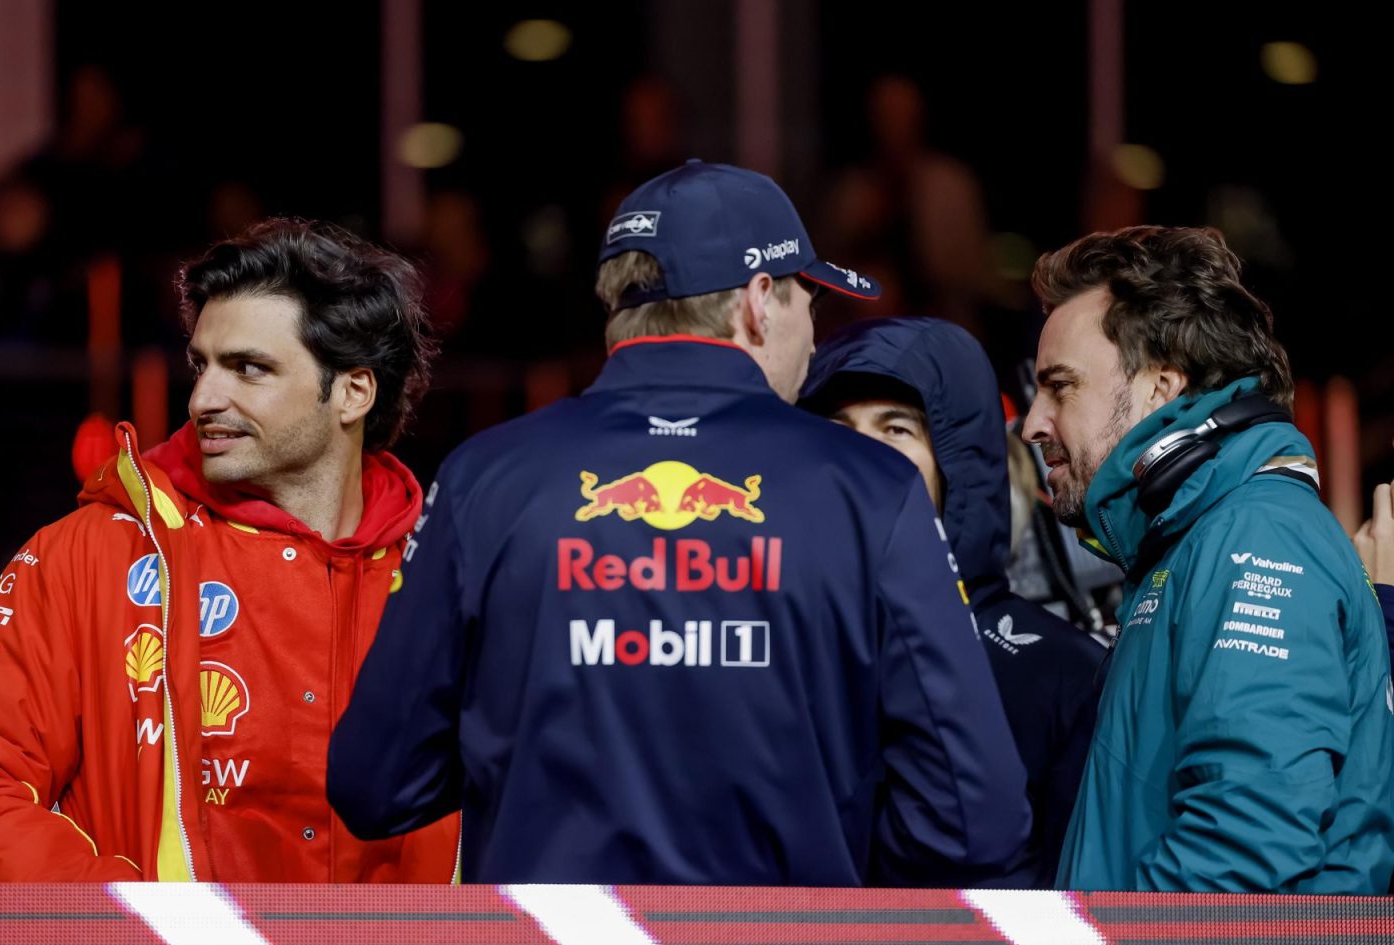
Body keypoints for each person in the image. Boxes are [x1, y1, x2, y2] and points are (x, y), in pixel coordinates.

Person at [328, 160, 1029, 885]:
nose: (816, 340)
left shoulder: (486, 478)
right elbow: (975, 820)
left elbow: (376, 783)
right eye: (807, 303)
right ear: (759, 302)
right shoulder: (870, 487)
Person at [0, 218, 460, 881]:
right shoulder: (91, 555)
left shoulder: (452, 575)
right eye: (202, 365)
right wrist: (136, 938)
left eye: (248, 369)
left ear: (352, 392)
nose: (202, 399)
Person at [1021, 225, 1394, 892]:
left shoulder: (1255, 537)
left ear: (1161, 388)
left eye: (1059, 387)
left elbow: (1245, 850)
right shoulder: (1200, 539)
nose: (1032, 423)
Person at [800, 316, 1103, 887]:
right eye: (838, 429)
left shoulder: (1061, 674)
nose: (861, 455)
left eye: (895, 430)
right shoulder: (766, 646)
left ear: (957, 465)